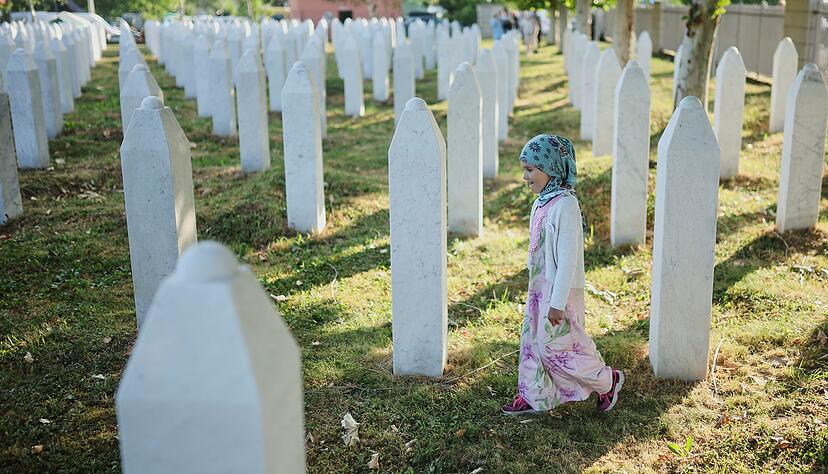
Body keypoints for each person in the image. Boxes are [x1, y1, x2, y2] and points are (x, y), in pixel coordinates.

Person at [501, 134, 624, 416]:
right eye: (524, 169)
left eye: (530, 170)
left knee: (556, 348)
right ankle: (533, 395)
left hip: (561, 291)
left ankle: (607, 380)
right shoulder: (541, 202)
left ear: (552, 168)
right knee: (532, 343)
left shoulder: (565, 205)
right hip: (539, 288)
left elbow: (568, 261)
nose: (524, 176)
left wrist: (557, 303)